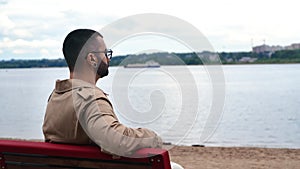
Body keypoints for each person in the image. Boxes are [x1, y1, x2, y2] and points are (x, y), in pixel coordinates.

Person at [42, 29, 184, 169]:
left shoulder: (56, 96)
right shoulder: (90, 99)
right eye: (105, 53)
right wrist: (152, 138)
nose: (108, 58)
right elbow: (115, 140)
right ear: (91, 58)